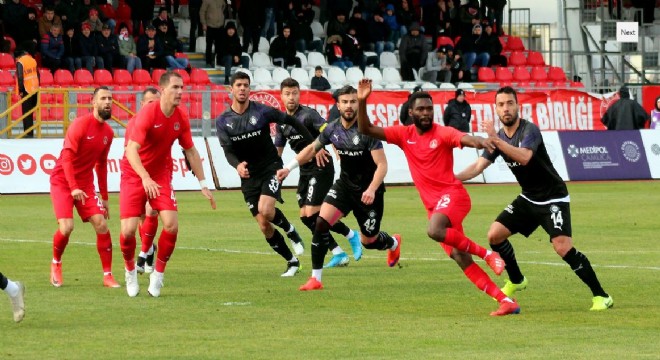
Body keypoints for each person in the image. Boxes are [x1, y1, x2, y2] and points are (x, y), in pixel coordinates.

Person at [356, 79, 520, 317]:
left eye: (429, 109)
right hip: (435, 207)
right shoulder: (404, 135)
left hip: (454, 196)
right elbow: (366, 129)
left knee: (434, 230)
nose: (426, 113)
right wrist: (362, 101)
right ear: (410, 112)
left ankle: (488, 254)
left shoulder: (442, 132)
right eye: (421, 109)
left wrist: (481, 141)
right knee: (459, 257)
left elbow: (465, 138)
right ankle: (505, 301)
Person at [456, 86, 614, 311]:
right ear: (496, 109)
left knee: (562, 248)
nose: (506, 109)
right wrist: (453, 179)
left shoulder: (530, 130)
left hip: (553, 197)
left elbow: (525, 157)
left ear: (517, 106)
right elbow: (478, 166)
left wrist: (496, 140)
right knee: (495, 235)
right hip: (529, 198)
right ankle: (517, 280)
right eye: (501, 105)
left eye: (510, 103)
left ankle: (602, 296)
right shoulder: (498, 138)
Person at [277, 85, 402, 291]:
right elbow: (311, 149)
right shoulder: (332, 129)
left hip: (369, 191)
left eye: (353, 101)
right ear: (338, 105)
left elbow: (382, 165)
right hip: (344, 186)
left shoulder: (367, 130)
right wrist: (289, 168)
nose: (349, 106)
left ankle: (392, 243)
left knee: (369, 241)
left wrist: (371, 189)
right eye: (345, 102)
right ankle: (316, 279)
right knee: (320, 223)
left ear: (358, 104)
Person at [120, 71, 216, 297]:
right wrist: (144, 177)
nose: (180, 92)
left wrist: (203, 183)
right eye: (175, 87)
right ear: (163, 90)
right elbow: (131, 150)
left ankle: (158, 275)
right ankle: (130, 270)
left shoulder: (180, 117)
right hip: (134, 174)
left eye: (182, 87)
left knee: (171, 224)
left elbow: (190, 150)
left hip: (161, 173)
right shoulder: (147, 115)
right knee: (128, 232)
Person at [215, 71, 312, 277]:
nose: (242, 88)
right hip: (248, 175)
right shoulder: (223, 121)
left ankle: (291, 232)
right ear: (231, 89)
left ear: (250, 89)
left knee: (266, 210)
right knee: (263, 225)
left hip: (270, 167)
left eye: (246, 85)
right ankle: (292, 262)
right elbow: (228, 151)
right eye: (238, 85)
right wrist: (237, 166)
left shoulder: (262, 112)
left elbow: (291, 121)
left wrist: (314, 143)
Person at [276, 78, 362, 268]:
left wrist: (337, 151)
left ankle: (351, 235)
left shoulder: (308, 115)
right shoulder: (281, 123)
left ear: (299, 94)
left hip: (321, 166)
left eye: (295, 93)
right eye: (287, 94)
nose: (291, 97)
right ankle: (338, 252)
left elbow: (330, 131)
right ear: (281, 96)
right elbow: (278, 152)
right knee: (306, 217)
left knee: (314, 212)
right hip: (304, 169)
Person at [48, 86, 120, 289]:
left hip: (86, 183)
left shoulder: (108, 132)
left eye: (110, 99)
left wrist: (104, 196)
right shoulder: (79, 125)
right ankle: (56, 263)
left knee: (102, 224)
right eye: (103, 98)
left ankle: (107, 275)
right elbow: (67, 159)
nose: (108, 102)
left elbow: (102, 164)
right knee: (67, 227)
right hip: (63, 181)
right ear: (93, 102)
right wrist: (72, 188)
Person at [132, 87, 161, 274]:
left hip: (157, 174)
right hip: (136, 174)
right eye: (150, 102)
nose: (154, 106)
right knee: (140, 217)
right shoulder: (134, 123)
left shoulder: (163, 121)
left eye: (156, 102)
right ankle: (149, 249)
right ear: (142, 104)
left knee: (152, 211)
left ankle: (143, 254)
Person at [15, 46, 39, 138]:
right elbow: (38, 74)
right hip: (35, 88)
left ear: (18, 57)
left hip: (26, 89)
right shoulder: (33, 60)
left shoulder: (20, 62)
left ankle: (28, 133)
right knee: (30, 112)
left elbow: (20, 77)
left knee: (26, 112)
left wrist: (21, 90)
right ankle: (31, 133)